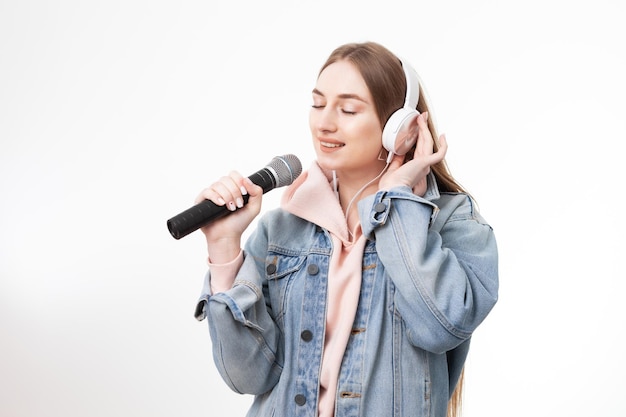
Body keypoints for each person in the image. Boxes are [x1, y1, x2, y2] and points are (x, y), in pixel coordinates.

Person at [193, 41, 499, 417]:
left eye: (348, 109)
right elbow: (248, 377)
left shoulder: (452, 222)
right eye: (318, 104)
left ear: (398, 128)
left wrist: (398, 201)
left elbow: (442, 326)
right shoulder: (281, 229)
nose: (325, 122)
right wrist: (224, 249)